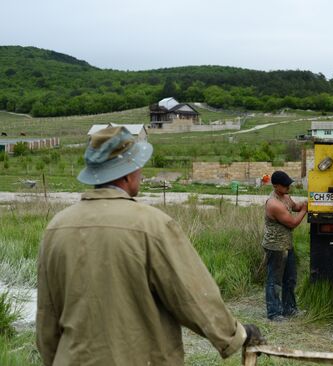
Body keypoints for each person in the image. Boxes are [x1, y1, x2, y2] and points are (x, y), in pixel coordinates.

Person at [36, 126, 264, 365]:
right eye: (138, 165)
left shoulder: (55, 228)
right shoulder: (153, 225)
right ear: (126, 173)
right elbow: (193, 296)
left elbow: (46, 317)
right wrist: (235, 335)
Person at [261, 170, 307, 321]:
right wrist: (305, 211)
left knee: (290, 279)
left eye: (289, 183)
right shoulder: (273, 204)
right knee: (274, 281)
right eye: (285, 185)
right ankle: (274, 313)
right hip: (275, 247)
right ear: (276, 186)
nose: (289, 186)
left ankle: (289, 309)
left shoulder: (285, 197)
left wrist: (305, 204)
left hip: (286, 245)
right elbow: (293, 223)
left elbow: (294, 207)